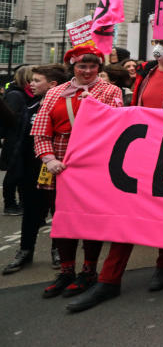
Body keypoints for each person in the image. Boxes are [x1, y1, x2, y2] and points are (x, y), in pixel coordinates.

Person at [67, 38, 163, 312]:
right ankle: (109, 280)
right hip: (143, 149)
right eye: (157, 41)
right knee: (128, 211)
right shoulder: (146, 72)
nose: (159, 46)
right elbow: (133, 109)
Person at [32, 46, 124, 298]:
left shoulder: (110, 90)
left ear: (99, 68)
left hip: (93, 163)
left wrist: (93, 105)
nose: (87, 71)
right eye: (82, 66)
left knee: (90, 219)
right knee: (62, 218)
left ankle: (89, 270)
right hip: (59, 163)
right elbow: (41, 130)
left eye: (93, 66)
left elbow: (116, 124)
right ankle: (66, 271)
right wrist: (48, 158)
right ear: (72, 68)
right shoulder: (54, 93)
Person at [2, 64, 68, 275]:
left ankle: (58, 250)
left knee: (58, 210)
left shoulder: (65, 107)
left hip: (56, 168)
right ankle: (25, 251)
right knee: (30, 211)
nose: (31, 83)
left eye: (37, 80)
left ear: (53, 84)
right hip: (31, 168)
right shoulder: (31, 106)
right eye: (32, 80)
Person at [2, 66, 32, 215]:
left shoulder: (25, 94)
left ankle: (22, 202)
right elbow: (11, 119)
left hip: (23, 139)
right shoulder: (15, 94)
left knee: (22, 174)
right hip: (15, 139)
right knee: (14, 174)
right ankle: (10, 204)